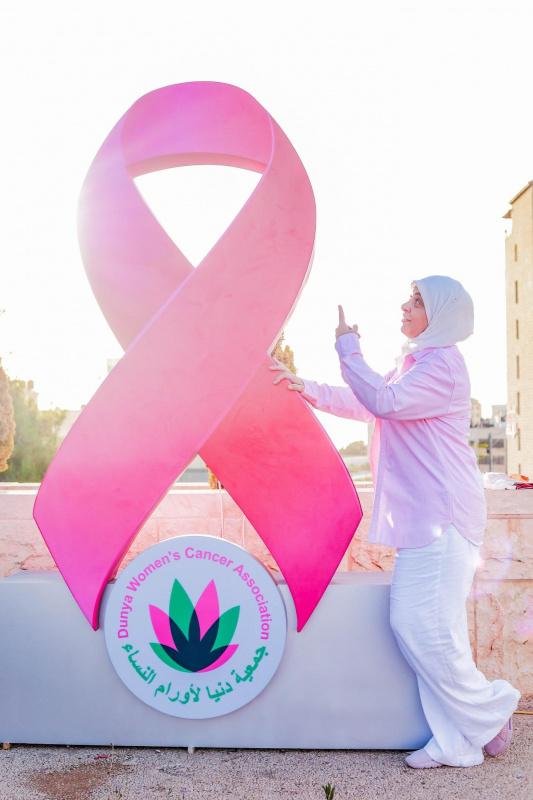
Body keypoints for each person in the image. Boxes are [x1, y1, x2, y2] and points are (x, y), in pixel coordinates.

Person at [270, 275, 521, 769]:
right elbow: (370, 403)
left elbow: (383, 401)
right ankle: (456, 743)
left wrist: (348, 348)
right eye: (409, 297)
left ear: (442, 314)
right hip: (425, 518)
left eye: (418, 301)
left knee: (418, 626)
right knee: (435, 631)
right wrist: (307, 388)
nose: (406, 306)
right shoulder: (416, 364)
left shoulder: (442, 366)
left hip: (444, 516)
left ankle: (491, 711)